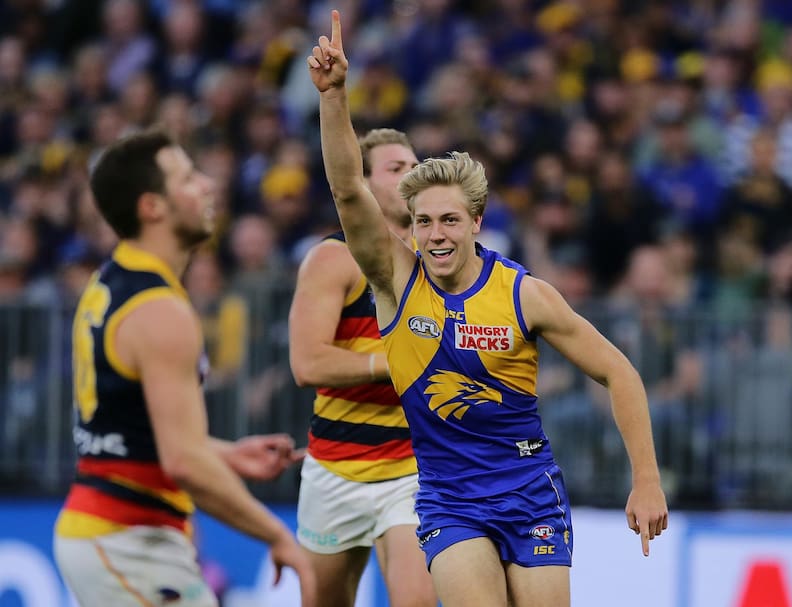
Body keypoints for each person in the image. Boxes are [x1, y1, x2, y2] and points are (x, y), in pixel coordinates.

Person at [307, 11, 668, 607]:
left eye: (450, 220)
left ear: (477, 222)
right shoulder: (396, 281)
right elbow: (348, 190)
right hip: (450, 497)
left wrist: (647, 480)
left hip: (530, 491)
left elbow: (618, 372)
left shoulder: (525, 294)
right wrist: (335, 97)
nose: (436, 235)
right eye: (423, 222)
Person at [52, 130, 316, 607]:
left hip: (108, 533)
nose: (208, 185)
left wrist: (228, 454)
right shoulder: (159, 310)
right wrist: (276, 533)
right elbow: (182, 461)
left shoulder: (109, 281)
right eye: (189, 178)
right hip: (127, 540)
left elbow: (133, 433)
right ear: (153, 207)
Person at [288, 127, 437, 607]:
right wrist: (393, 364)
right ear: (364, 184)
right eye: (396, 169)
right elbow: (307, 362)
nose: (411, 175)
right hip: (336, 467)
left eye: (415, 166)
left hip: (414, 466)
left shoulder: (439, 259)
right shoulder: (332, 259)